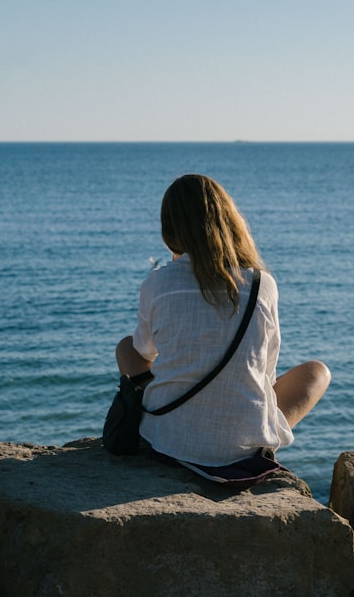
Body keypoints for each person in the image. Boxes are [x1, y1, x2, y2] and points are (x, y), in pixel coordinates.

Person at [115, 174, 330, 482]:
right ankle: (258, 438)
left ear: (170, 229)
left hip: (168, 441)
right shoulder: (261, 284)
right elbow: (266, 373)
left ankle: (178, 418)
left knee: (126, 347)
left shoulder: (158, 282)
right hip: (244, 446)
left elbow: (144, 352)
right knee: (317, 372)